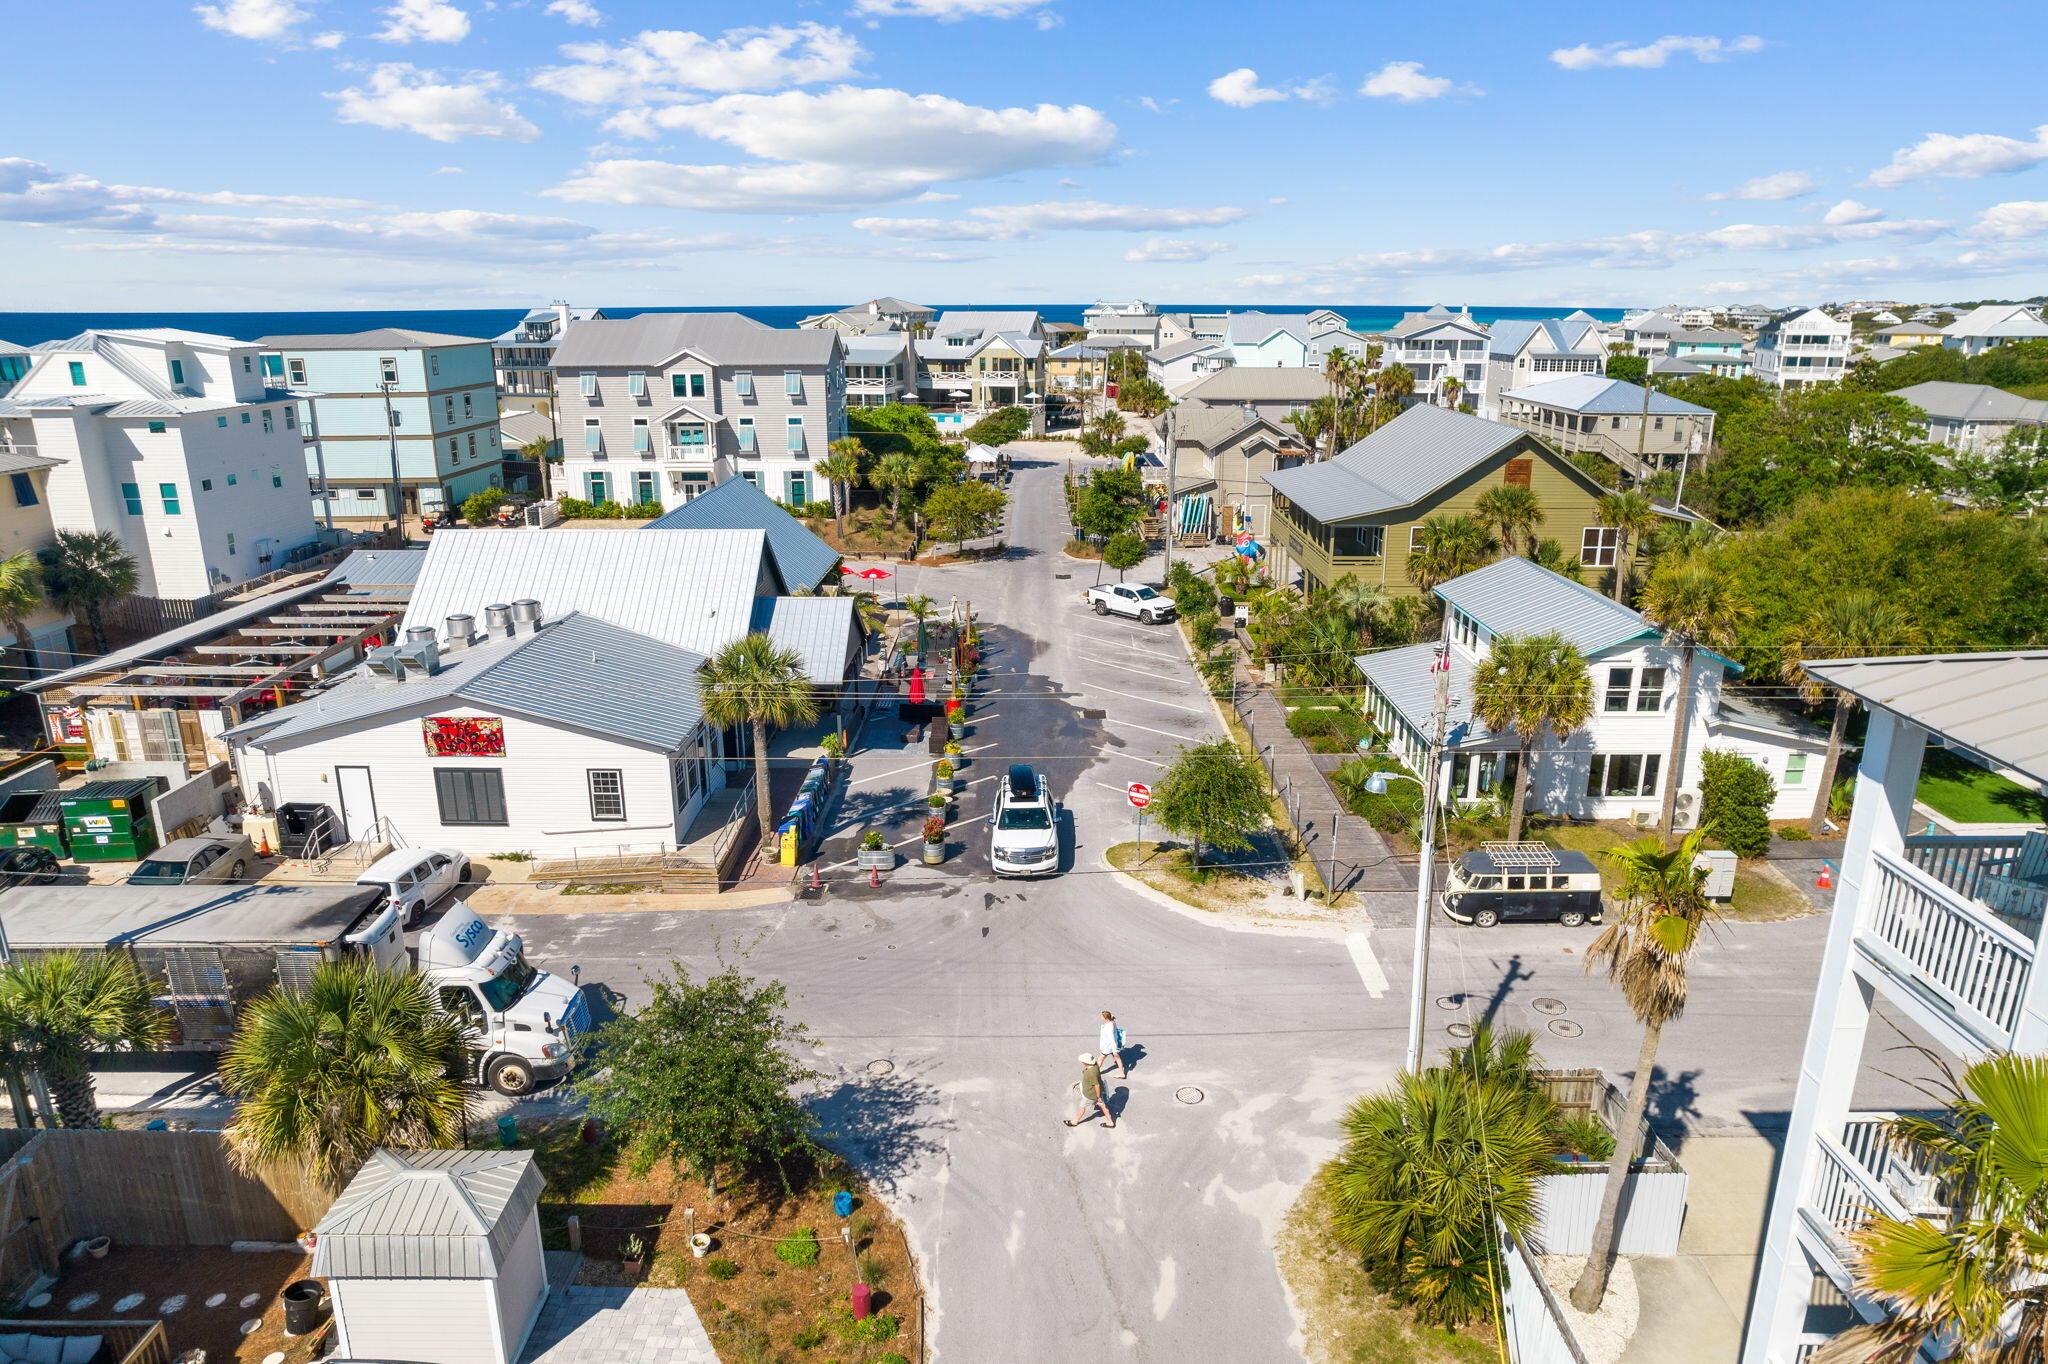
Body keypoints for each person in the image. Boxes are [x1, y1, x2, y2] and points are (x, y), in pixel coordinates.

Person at [1064, 1052, 1114, 1128]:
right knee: (1102, 1105)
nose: (1082, 1063)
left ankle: (1075, 1122)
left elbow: (1096, 1085)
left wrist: (1098, 1097)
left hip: (1091, 1095)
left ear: (1085, 1063)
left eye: (1082, 1062)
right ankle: (1110, 1122)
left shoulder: (1091, 1073)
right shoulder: (1095, 1066)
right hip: (1097, 1093)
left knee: (1082, 1106)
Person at [1097, 1011, 1125, 1078]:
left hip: (1108, 1047)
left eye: (1101, 1016)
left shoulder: (1109, 1026)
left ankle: (1094, 1072)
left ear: (1105, 1018)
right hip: (1111, 1047)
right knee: (1117, 1058)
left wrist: (1114, 1050)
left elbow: (1111, 1038)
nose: (1101, 1018)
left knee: (1100, 1059)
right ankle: (1122, 1073)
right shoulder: (1112, 1022)